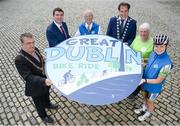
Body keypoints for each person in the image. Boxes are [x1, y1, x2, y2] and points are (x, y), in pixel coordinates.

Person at [15, 33, 58, 124]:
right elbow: (28, 76)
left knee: (46, 94)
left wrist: (50, 70)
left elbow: (42, 62)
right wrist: (44, 81)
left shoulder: (36, 50)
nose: (32, 45)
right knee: (39, 104)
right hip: (35, 87)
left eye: (33, 42)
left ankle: (48, 104)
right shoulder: (19, 59)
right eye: (28, 43)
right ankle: (43, 116)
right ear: (22, 44)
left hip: (45, 82)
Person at [134, 34, 173, 121]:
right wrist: (142, 61)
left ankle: (148, 112)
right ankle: (144, 107)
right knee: (144, 96)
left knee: (150, 101)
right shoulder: (153, 53)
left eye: (161, 46)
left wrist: (144, 80)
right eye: (156, 46)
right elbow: (148, 62)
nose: (158, 49)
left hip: (154, 87)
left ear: (166, 46)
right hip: (144, 82)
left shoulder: (167, 63)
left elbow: (159, 80)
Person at [128, 23, 153, 98]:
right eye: (141, 31)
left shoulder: (152, 42)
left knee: (139, 81)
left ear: (149, 32)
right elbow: (130, 49)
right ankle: (130, 90)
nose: (143, 33)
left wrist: (144, 61)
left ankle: (135, 93)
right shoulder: (137, 38)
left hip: (144, 68)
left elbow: (154, 58)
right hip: (134, 65)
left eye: (145, 31)